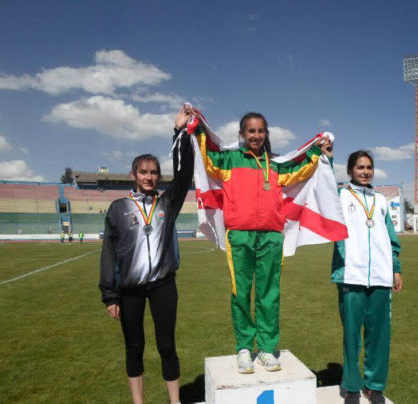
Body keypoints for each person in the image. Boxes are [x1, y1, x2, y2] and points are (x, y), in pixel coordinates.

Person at [189, 109, 333, 374]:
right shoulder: (229, 159)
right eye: (251, 131)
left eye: (261, 131)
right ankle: (244, 348)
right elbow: (208, 157)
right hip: (239, 234)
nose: (256, 135)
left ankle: (267, 349)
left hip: (270, 236)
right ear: (242, 134)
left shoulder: (276, 164)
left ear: (266, 134)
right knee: (240, 292)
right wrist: (197, 127)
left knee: (269, 294)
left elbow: (301, 170)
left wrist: (317, 150)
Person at [99, 106, 194, 404]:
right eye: (144, 172)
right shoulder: (117, 208)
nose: (149, 177)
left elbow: (185, 173)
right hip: (130, 290)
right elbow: (109, 255)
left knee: (167, 345)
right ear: (133, 175)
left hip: (164, 285)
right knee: (134, 347)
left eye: (154, 173)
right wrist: (110, 296)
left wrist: (179, 132)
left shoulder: (168, 203)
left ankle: (174, 401)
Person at [331, 150, 403, 404]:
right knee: (351, 334)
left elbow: (391, 239)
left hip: (381, 277)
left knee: (379, 335)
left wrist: (395, 268)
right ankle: (352, 386)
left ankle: (374, 386)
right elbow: (323, 186)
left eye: (369, 167)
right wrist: (328, 158)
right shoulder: (340, 196)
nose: (365, 172)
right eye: (360, 167)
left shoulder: (381, 200)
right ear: (349, 170)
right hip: (352, 274)